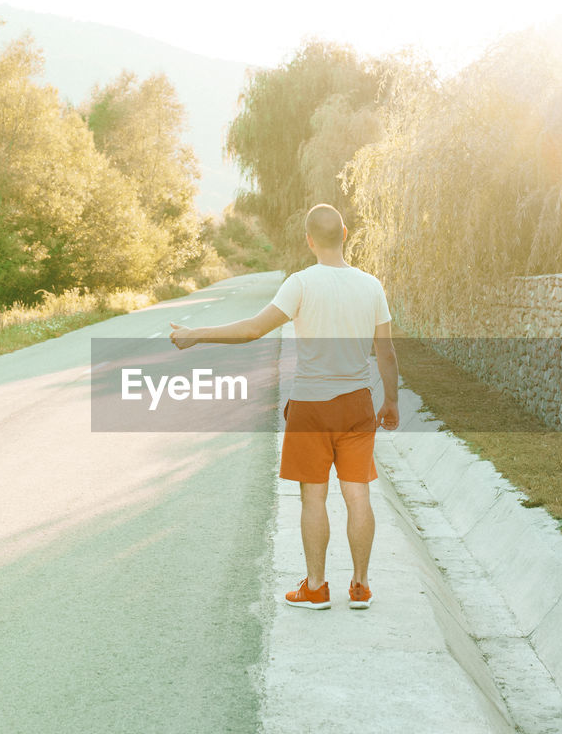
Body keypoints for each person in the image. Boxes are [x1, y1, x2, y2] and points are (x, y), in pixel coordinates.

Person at [169, 204, 398, 610]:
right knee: (357, 494)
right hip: (358, 403)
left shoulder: (301, 284)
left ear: (309, 239)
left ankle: (315, 587)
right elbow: (387, 351)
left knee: (314, 497)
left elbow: (254, 329)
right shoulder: (371, 286)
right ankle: (360, 586)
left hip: (311, 405)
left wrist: (196, 334)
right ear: (344, 233)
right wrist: (391, 401)